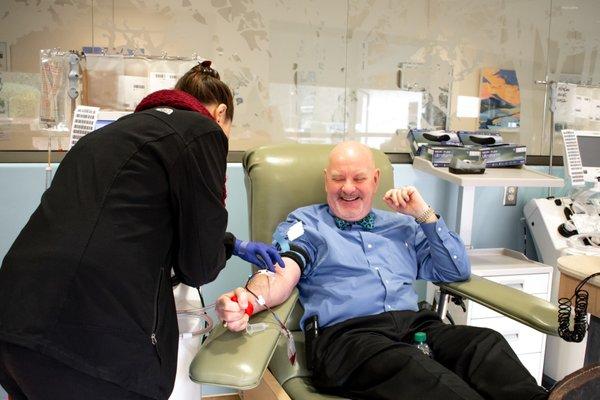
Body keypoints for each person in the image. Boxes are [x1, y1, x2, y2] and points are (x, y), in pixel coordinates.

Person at [216, 141, 600, 400]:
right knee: (427, 376)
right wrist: (250, 299)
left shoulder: (401, 225)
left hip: (416, 326)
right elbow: (283, 271)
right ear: (326, 181)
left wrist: (424, 215)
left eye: (358, 178)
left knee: (485, 345)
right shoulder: (308, 225)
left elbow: (453, 270)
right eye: (338, 179)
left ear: (375, 181)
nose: (348, 188)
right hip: (348, 340)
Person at [0, 61, 283, 400]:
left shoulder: (112, 134)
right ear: (221, 114)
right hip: (92, 341)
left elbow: (132, 218)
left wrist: (232, 243)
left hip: (15, 319)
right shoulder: (203, 132)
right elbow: (198, 267)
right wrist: (219, 250)